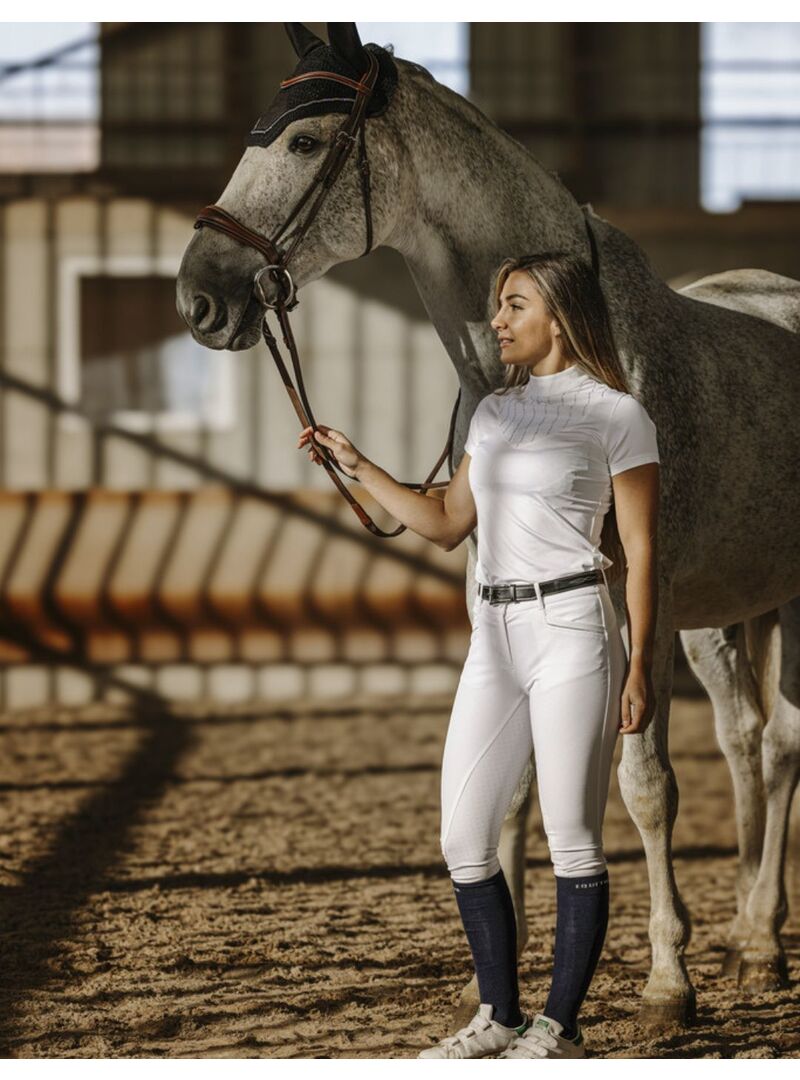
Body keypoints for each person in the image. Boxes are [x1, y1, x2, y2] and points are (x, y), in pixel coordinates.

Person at [297, 252, 660, 1060]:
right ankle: (498, 1015)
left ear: (558, 318)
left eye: (514, 305)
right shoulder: (491, 413)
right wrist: (358, 467)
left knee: (571, 837)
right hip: (492, 638)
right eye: (498, 305)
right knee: (464, 839)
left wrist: (639, 665)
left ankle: (558, 1029)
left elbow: (639, 550)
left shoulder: (618, 416)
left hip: (574, 629)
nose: (497, 319)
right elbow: (445, 522)